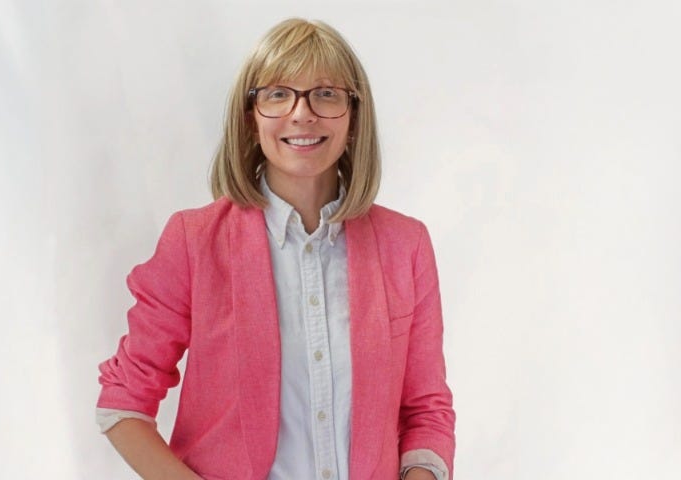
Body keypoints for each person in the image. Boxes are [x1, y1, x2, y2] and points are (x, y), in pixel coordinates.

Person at [96, 18, 455, 480]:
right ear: (251, 118)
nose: (302, 113)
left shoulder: (406, 245)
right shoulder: (194, 241)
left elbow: (426, 410)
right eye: (278, 94)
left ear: (353, 117)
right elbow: (123, 403)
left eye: (326, 94)